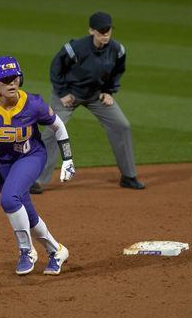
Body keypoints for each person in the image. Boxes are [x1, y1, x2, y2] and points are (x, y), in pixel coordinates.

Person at [0, 55, 76, 276]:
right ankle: (57, 251)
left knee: (8, 199)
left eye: (15, 77)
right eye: (6, 79)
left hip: (30, 157)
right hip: (1, 164)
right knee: (26, 212)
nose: (12, 82)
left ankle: (26, 251)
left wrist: (68, 159)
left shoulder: (32, 103)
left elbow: (58, 127)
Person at [30, 11, 145, 195]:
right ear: (91, 31)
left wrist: (109, 91)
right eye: (101, 31)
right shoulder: (75, 48)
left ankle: (128, 176)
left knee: (122, 126)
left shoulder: (117, 50)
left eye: (108, 30)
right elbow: (56, 68)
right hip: (68, 95)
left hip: (95, 96)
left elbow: (117, 71)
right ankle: (34, 179)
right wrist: (62, 92)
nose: (105, 34)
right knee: (53, 130)